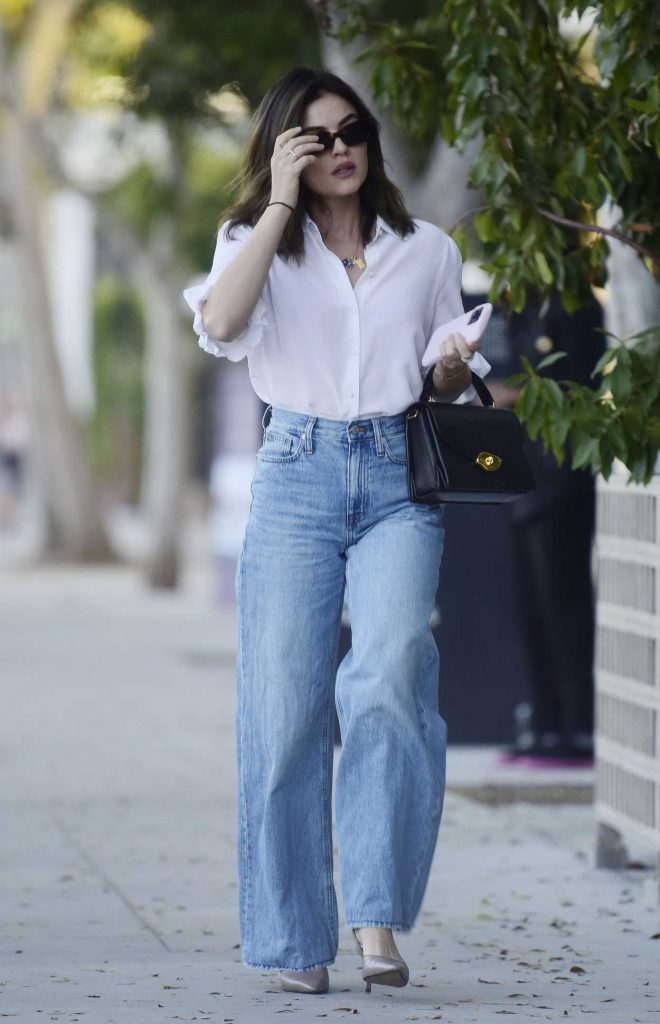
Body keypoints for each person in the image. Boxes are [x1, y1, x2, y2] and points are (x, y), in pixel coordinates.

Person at [183, 67, 491, 995]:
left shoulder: (425, 247)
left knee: (392, 675)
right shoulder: (253, 243)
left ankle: (375, 918)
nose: (340, 149)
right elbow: (222, 324)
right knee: (284, 714)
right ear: (285, 149)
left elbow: (436, 379)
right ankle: (292, 936)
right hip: (296, 478)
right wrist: (278, 204)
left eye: (351, 131)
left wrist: (446, 366)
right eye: (315, 138)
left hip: (401, 475)